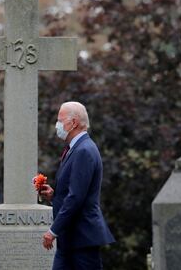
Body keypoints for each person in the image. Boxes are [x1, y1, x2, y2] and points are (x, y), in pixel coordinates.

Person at [40, 101, 115, 270]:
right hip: (70, 239)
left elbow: (76, 197)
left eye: (60, 120)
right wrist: (54, 195)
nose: (57, 125)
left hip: (82, 238)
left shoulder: (84, 151)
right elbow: (74, 192)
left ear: (73, 123)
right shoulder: (76, 149)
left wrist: (53, 231)